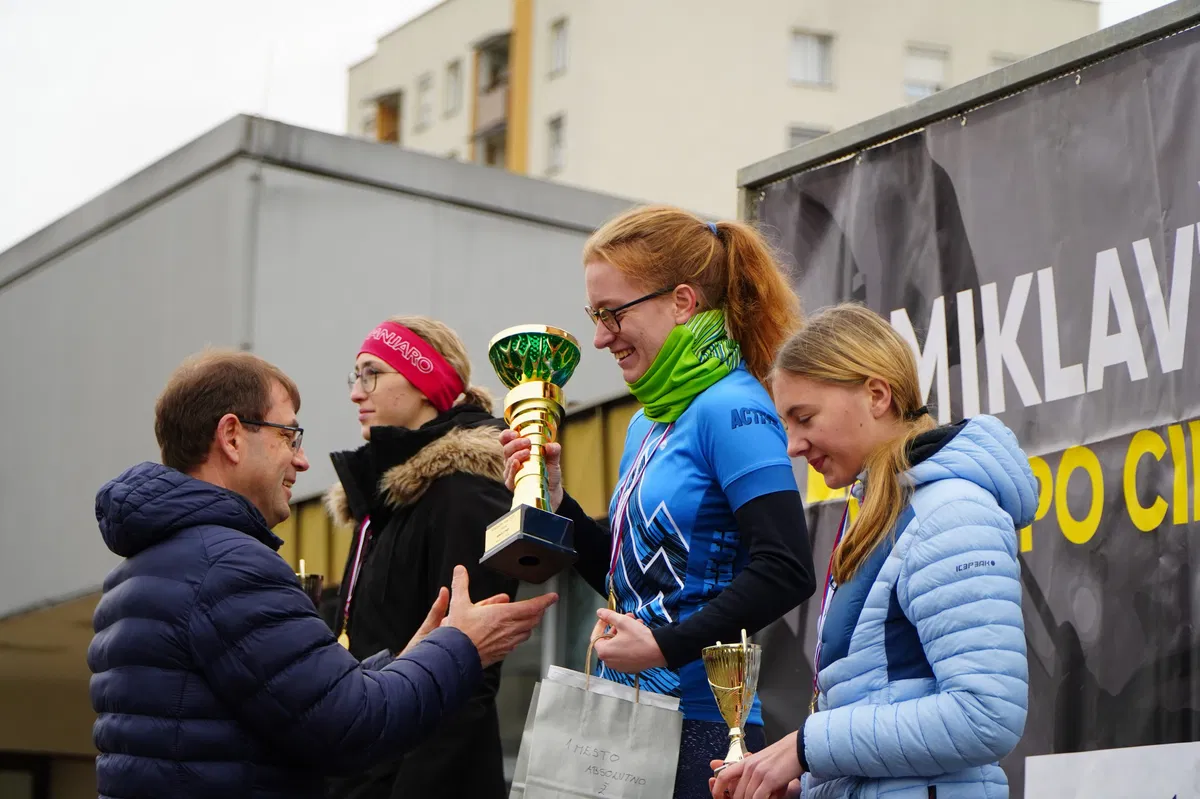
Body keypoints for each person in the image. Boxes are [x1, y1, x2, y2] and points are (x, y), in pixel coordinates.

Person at [88, 350, 557, 799]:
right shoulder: (228, 567)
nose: (303, 460)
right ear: (231, 437)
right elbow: (349, 724)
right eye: (288, 436)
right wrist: (460, 645)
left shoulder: (141, 572)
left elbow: (301, 702)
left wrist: (417, 654)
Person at [501, 205, 817, 799]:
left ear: (682, 301)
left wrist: (661, 645)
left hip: (703, 728)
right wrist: (559, 500)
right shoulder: (647, 422)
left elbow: (787, 569)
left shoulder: (733, 407)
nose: (599, 338)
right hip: (629, 722)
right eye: (594, 315)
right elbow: (634, 581)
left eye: (612, 313)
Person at [710, 303, 1036, 799]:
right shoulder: (882, 513)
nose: (793, 446)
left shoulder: (950, 513)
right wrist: (811, 786)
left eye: (805, 417)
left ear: (877, 395)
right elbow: (884, 715)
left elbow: (987, 715)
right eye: (787, 425)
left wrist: (805, 747)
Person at [324, 316, 518, 799]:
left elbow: (469, 672)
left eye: (372, 373)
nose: (356, 393)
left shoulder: (466, 494)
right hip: (366, 771)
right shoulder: (386, 497)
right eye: (355, 376)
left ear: (424, 381)